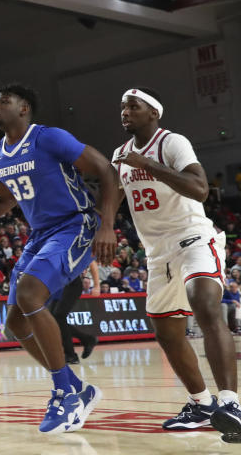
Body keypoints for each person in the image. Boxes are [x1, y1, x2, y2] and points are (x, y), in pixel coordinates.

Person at [0, 83, 118, 434]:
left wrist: (107, 225)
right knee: (15, 324)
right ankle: (79, 389)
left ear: (24, 109)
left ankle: (65, 394)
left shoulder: (48, 138)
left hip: (75, 223)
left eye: (4, 101)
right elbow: (4, 201)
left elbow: (105, 170)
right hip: (41, 235)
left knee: (31, 294)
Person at [112, 87, 240, 433]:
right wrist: (104, 226)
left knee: (206, 305)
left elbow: (199, 189)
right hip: (157, 253)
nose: (125, 112)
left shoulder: (171, 142)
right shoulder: (120, 154)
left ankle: (231, 403)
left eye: (133, 106)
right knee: (167, 332)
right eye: (123, 107)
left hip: (193, 237)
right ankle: (201, 404)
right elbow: (109, 195)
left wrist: (149, 165)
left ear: (153, 112)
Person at [50, 276, 97, 365]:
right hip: (58, 285)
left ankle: (71, 355)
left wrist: (97, 285)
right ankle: (86, 340)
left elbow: (92, 263)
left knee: (58, 317)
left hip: (71, 283)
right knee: (53, 320)